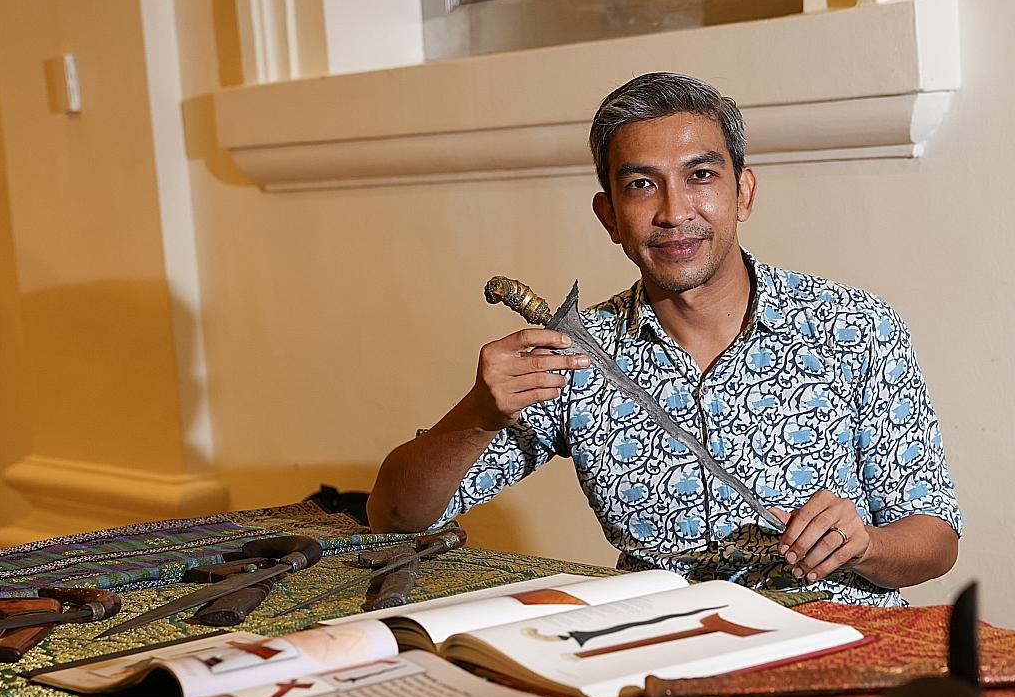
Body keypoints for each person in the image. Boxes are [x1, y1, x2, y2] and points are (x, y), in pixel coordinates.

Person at [368, 72, 960, 605]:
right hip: (658, 652)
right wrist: (478, 412)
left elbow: (935, 541)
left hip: (838, 642)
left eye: (700, 176)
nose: (675, 212)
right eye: (642, 186)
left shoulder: (854, 328)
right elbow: (395, 515)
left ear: (743, 192)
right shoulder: (574, 355)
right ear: (609, 216)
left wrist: (864, 546)